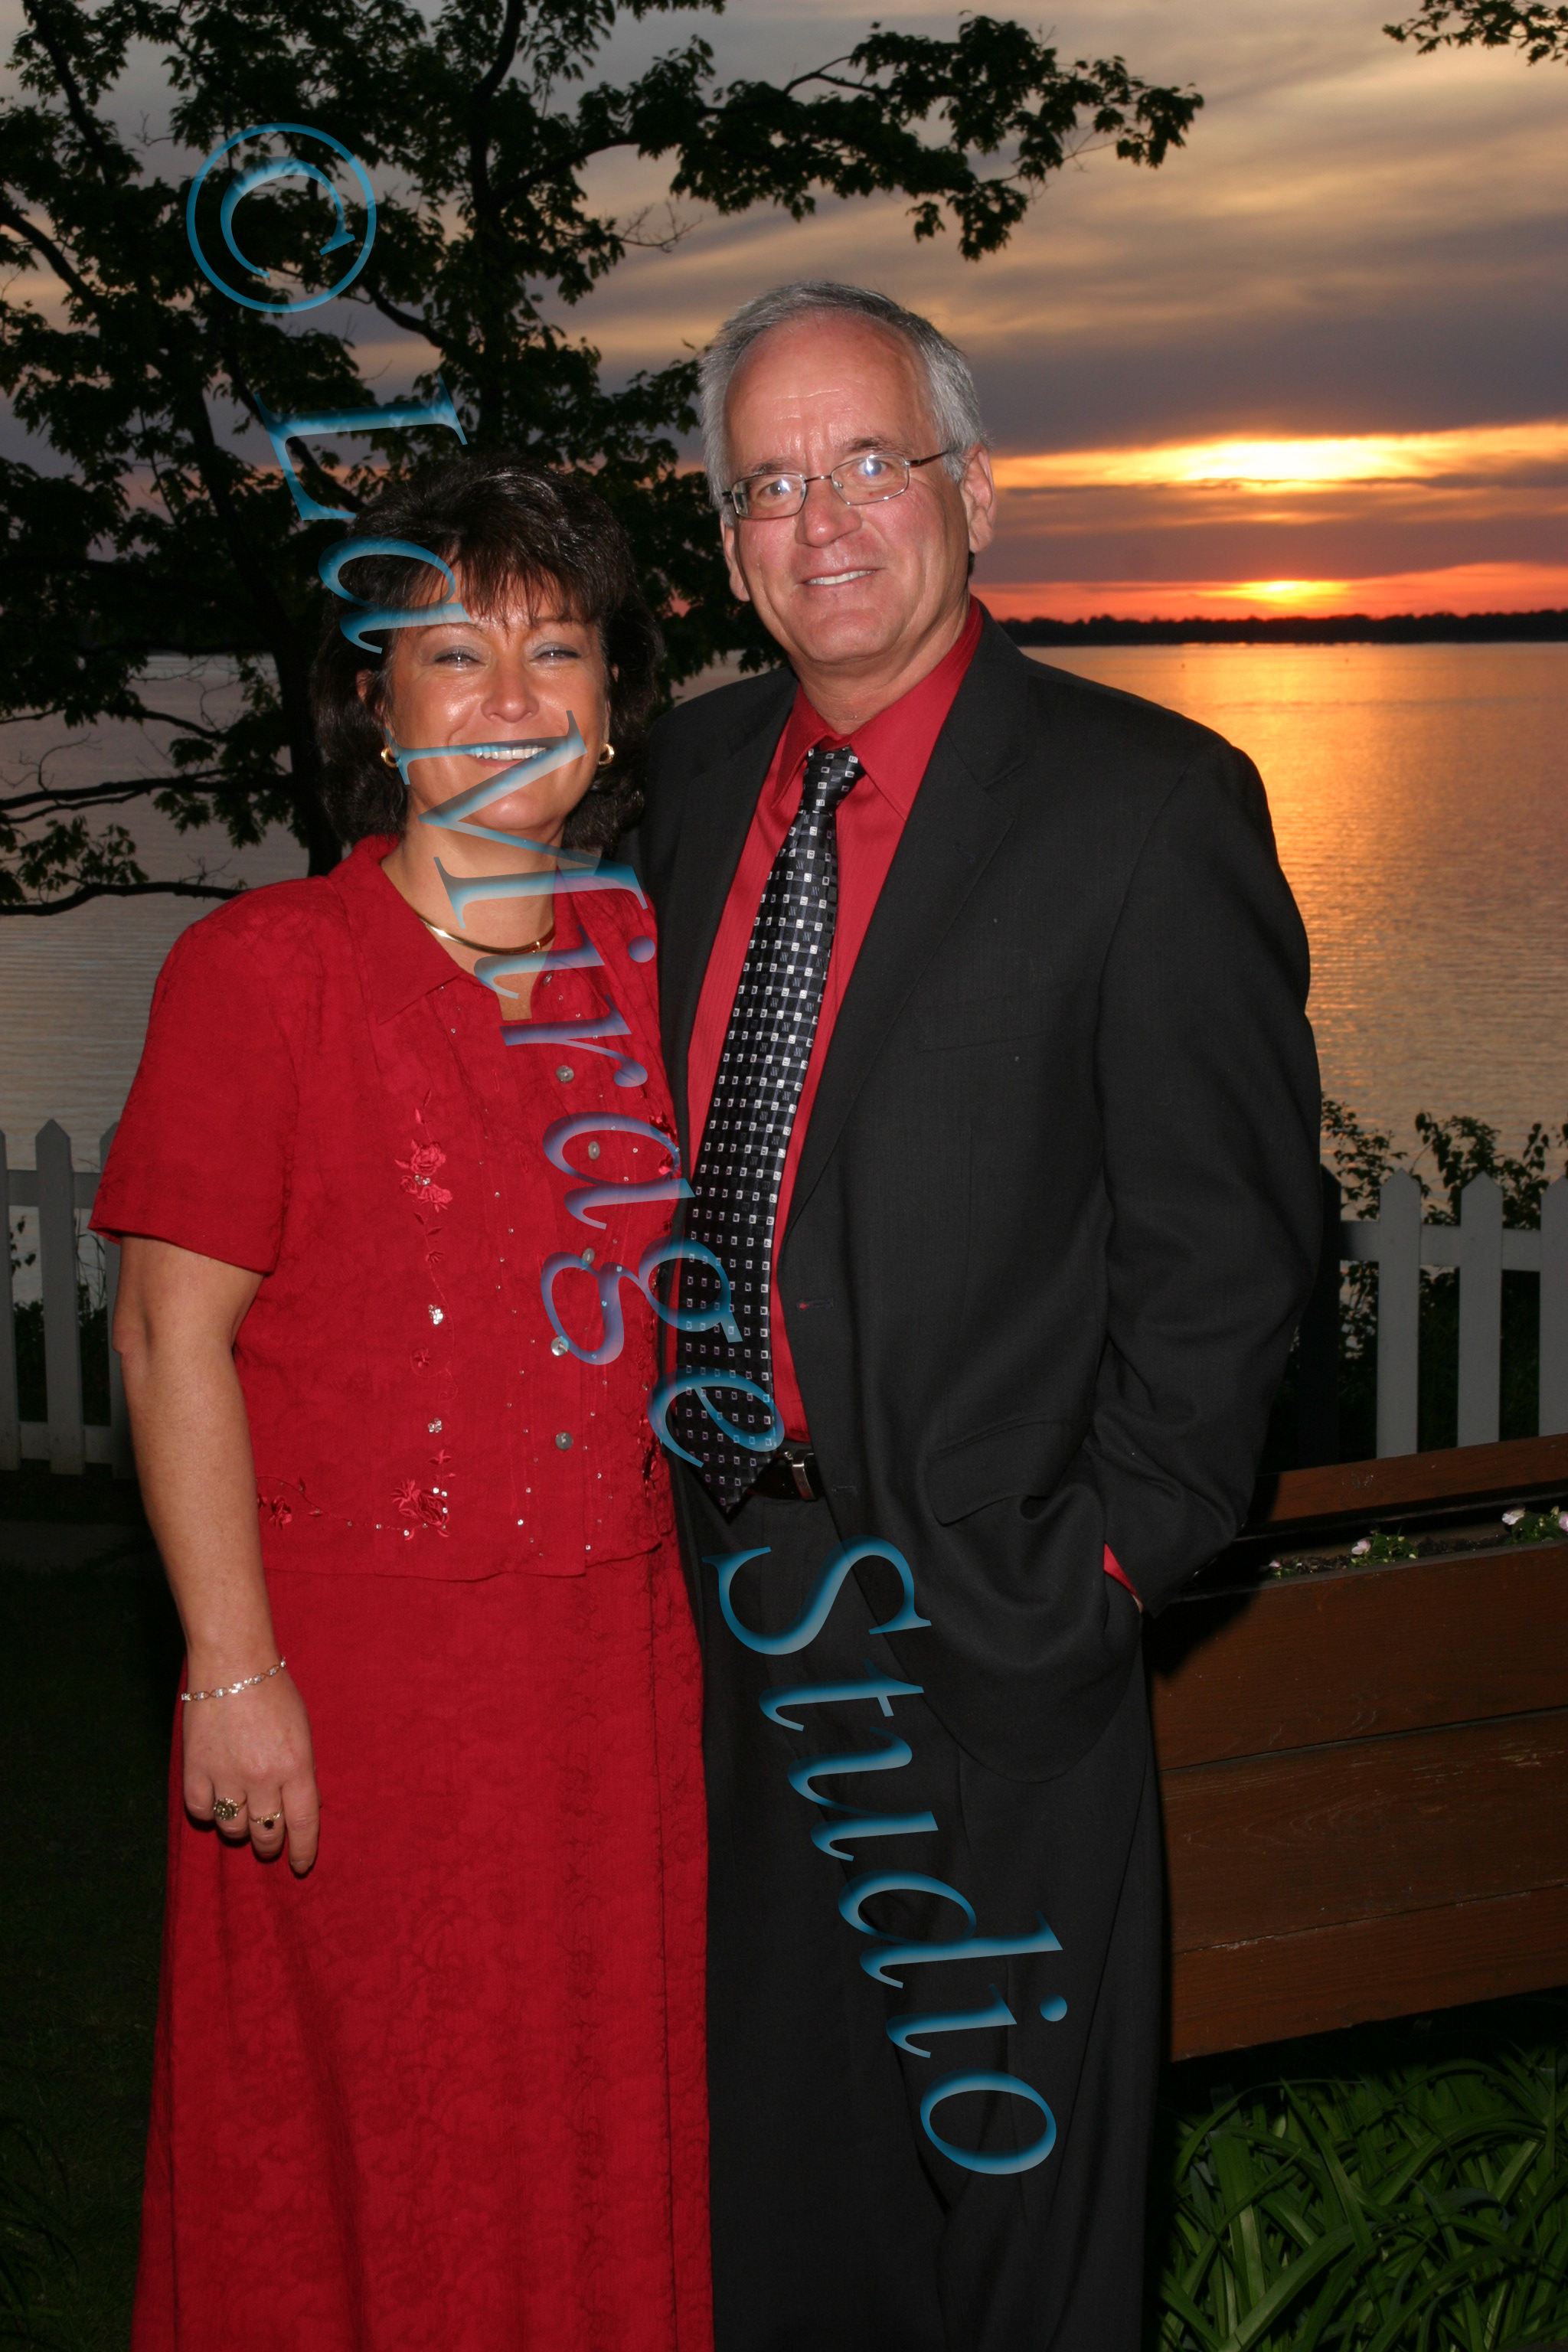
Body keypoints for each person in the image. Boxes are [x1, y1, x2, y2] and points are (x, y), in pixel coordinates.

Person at [635, 282, 1322, 2350]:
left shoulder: (1147, 807)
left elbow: (1233, 1258)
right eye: (768, 484)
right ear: (727, 543)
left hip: (992, 1640)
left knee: (1018, 2246)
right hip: (723, 1631)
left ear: (975, 494)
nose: (822, 519)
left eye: (871, 461)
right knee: (785, 2223)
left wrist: (1095, 1569)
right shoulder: (685, 782)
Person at [93, 456, 712, 2351]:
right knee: (373, 2148)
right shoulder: (264, 972)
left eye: (556, 648)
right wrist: (230, 1671)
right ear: (377, 704)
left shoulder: (648, 977)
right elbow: (166, 1338)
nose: (511, 697)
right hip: (347, 1698)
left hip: (610, 1685)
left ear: (612, 700)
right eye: (455, 653)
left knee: (586, 2141)